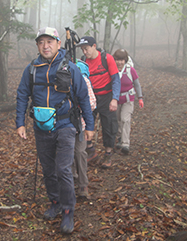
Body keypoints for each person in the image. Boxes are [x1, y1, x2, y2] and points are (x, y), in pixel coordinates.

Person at [15, 27, 95, 234]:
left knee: (63, 169)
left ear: (58, 44)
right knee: (48, 170)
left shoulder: (70, 68)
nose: (45, 46)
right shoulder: (31, 69)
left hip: (66, 125)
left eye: (50, 41)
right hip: (41, 127)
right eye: (41, 42)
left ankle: (68, 211)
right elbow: (22, 94)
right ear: (37, 45)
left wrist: (90, 126)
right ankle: (55, 202)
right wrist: (20, 123)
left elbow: (84, 97)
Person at [76, 36, 121, 169]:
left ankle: (108, 154)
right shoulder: (83, 61)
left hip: (107, 96)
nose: (85, 52)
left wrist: (115, 99)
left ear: (94, 46)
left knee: (109, 125)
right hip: (91, 96)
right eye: (83, 49)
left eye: (86, 48)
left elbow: (116, 79)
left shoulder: (106, 59)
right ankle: (91, 150)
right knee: (86, 122)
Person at [72, 61, 96, 199]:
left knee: (80, 152)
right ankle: (71, 178)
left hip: (79, 124)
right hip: (62, 125)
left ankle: (83, 184)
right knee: (66, 153)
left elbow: (92, 103)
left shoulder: (84, 80)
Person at [112, 49, 144, 154]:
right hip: (116, 100)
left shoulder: (130, 70)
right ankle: (120, 138)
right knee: (118, 120)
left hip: (128, 99)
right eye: (117, 60)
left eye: (122, 60)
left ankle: (125, 144)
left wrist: (140, 98)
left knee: (125, 119)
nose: (120, 62)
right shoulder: (112, 70)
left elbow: (137, 84)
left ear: (125, 60)